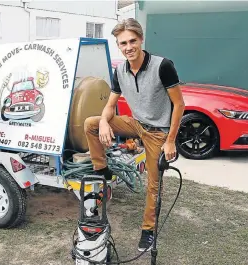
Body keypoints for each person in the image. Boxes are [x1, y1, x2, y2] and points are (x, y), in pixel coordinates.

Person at [83, 18, 185, 252]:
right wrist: (105, 123)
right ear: (118, 45)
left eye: (132, 41)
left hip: (158, 133)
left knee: (153, 184)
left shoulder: (162, 66)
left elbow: (179, 105)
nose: (128, 47)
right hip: (136, 124)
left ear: (141, 40)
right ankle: (102, 170)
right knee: (92, 123)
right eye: (122, 43)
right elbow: (110, 105)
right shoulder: (119, 70)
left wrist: (170, 141)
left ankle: (148, 230)